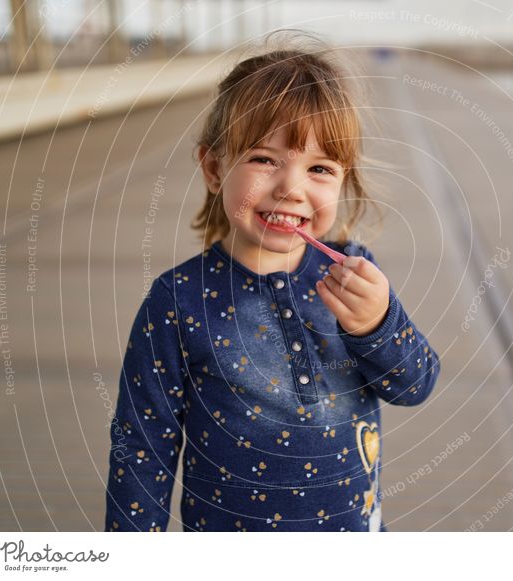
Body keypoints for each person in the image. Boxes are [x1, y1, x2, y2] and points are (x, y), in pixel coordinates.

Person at [104, 30, 441, 532]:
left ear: (344, 181)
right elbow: (141, 447)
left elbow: (415, 385)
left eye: (320, 168)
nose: (291, 188)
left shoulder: (353, 274)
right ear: (215, 168)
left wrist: (377, 324)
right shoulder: (177, 301)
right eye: (265, 159)